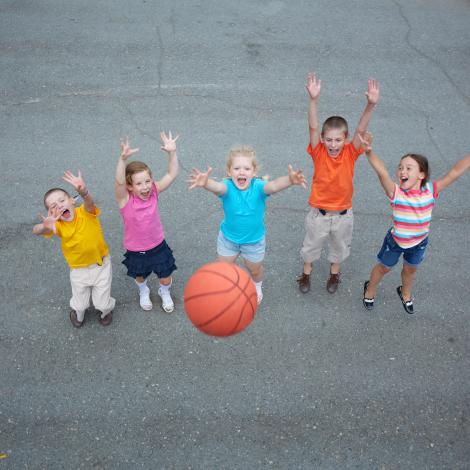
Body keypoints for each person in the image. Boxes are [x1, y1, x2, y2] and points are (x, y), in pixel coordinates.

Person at [360, 132, 470, 313]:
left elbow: (455, 172)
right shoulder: (396, 193)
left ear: (421, 175)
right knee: (384, 268)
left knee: (410, 270)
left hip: (419, 242)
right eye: (400, 167)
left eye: (409, 168)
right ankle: (369, 289)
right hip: (395, 242)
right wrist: (369, 152)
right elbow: (382, 173)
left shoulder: (431, 190)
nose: (402, 171)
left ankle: (405, 292)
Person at [188, 145, 306, 304]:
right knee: (224, 269)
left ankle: (257, 285)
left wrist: (289, 180)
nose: (241, 172)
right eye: (236, 168)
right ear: (229, 172)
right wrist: (206, 182)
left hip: (254, 242)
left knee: (255, 270)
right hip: (228, 240)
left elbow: (274, 185)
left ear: (254, 172)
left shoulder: (259, 187)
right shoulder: (227, 187)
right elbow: (217, 187)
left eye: (246, 168)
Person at [297, 72, 380, 295]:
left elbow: (361, 130)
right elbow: (313, 127)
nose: (333, 144)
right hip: (319, 213)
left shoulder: (351, 153)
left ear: (345, 139)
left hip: (343, 214)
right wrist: (313, 100)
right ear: (323, 140)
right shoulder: (318, 152)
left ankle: (335, 273)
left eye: (338, 140)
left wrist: (370, 105)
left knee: (339, 248)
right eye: (329, 139)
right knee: (311, 248)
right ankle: (306, 273)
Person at [33, 171, 115, 327]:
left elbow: (90, 203)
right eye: (53, 207)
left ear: (72, 200)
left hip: (101, 265)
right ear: (51, 213)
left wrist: (84, 192)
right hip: (78, 270)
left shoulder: (85, 212)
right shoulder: (57, 225)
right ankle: (77, 314)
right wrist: (44, 226)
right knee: (80, 305)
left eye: (62, 200)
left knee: (103, 304)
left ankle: (105, 311)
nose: (59, 206)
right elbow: (36, 231)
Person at [115, 132, 179, 313]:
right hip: (136, 249)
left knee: (165, 277)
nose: (145, 187)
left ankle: (164, 291)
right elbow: (118, 181)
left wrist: (172, 153)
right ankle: (143, 290)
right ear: (129, 186)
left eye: (147, 181)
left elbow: (172, 174)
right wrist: (122, 160)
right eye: (139, 183)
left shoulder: (154, 192)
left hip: (158, 246)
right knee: (140, 276)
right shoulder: (125, 200)